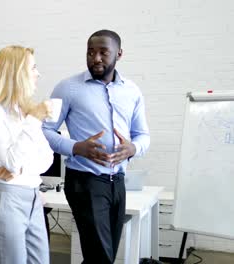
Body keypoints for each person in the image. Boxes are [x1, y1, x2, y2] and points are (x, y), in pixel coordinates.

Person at [43, 29, 150, 264]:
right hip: (84, 181)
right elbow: (44, 130)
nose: (96, 58)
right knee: (101, 257)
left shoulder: (132, 91)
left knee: (103, 256)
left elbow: (143, 135)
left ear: (119, 54)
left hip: (118, 183)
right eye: (91, 52)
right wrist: (75, 147)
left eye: (103, 52)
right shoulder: (66, 87)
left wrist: (133, 149)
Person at [0, 45, 54, 263]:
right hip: (8, 199)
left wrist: (20, 169)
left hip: (33, 197)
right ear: (17, 73)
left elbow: (48, 159)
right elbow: (11, 161)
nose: (38, 73)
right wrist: (35, 119)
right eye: (33, 68)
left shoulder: (23, 112)